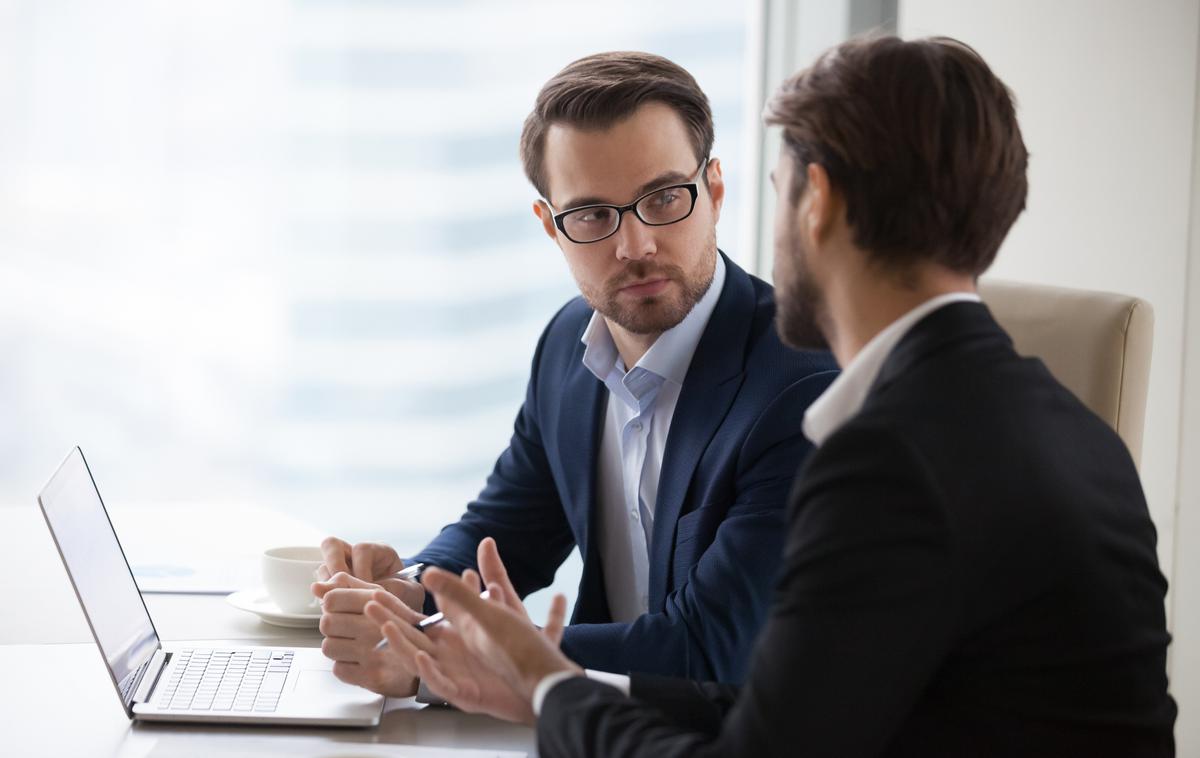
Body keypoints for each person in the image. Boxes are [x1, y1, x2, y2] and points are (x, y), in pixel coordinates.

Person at [364, 35, 1178, 756]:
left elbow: (736, 690)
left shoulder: (877, 450)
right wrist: (427, 603)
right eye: (595, 216)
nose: (636, 241)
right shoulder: (1071, 430)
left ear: (814, 202)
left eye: (780, 185)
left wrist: (527, 677)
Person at [310, 51, 838, 701]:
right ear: (550, 228)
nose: (636, 245)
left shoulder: (802, 387)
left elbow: (710, 645)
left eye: (664, 198)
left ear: (716, 192)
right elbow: (509, 530)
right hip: (587, 729)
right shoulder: (568, 344)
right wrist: (408, 590)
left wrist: (441, 650)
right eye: (592, 215)